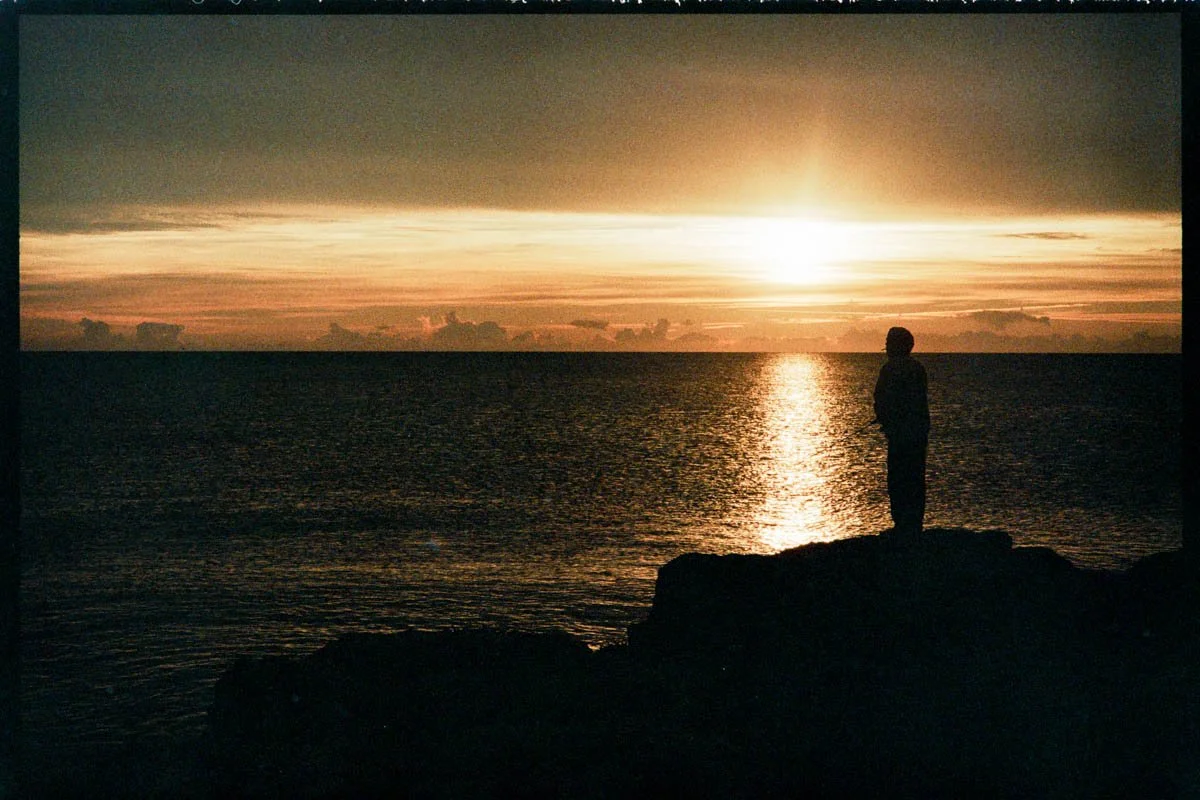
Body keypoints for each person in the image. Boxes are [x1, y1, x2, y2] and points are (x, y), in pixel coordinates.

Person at [873, 327, 929, 539]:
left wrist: (886, 419)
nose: (887, 348)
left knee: (898, 479)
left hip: (901, 435)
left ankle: (902, 526)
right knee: (915, 478)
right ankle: (913, 525)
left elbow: (881, 398)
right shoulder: (917, 368)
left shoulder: (890, 369)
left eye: (889, 343)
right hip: (917, 433)